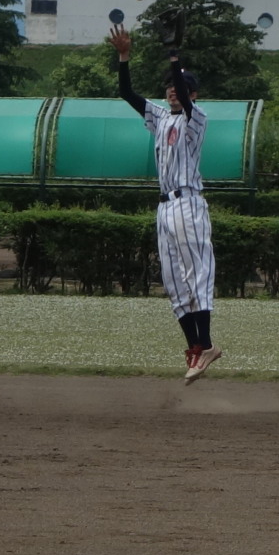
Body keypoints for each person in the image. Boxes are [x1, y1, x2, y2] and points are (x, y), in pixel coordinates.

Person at [110, 23, 221, 383]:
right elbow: (126, 92)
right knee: (174, 282)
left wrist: (174, 54)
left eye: (180, 86)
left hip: (189, 204)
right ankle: (196, 349)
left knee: (196, 276)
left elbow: (186, 102)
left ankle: (207, 345)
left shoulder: (196, 117)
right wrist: (124, 57)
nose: (173, 89)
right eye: (170, 85)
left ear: (193, 93)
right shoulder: (160, 117)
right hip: (165, 208)